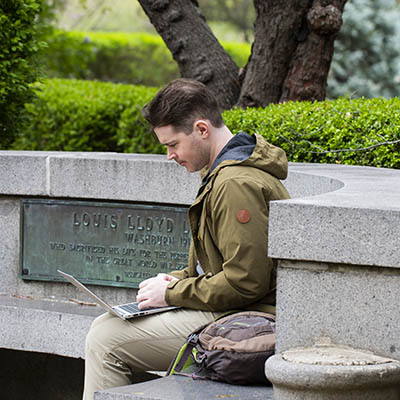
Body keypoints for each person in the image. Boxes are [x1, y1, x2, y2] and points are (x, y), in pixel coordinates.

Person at [82, 78, 290, 399]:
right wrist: (176, 280)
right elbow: (222, 266)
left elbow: (246, 282)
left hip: (251, 318)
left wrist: (172, 292)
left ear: (202, 129)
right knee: (104, 327)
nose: (169, 155)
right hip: (236, 309)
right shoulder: (225, 172)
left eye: (173, 144)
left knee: (105, 339)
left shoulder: (235, 183)